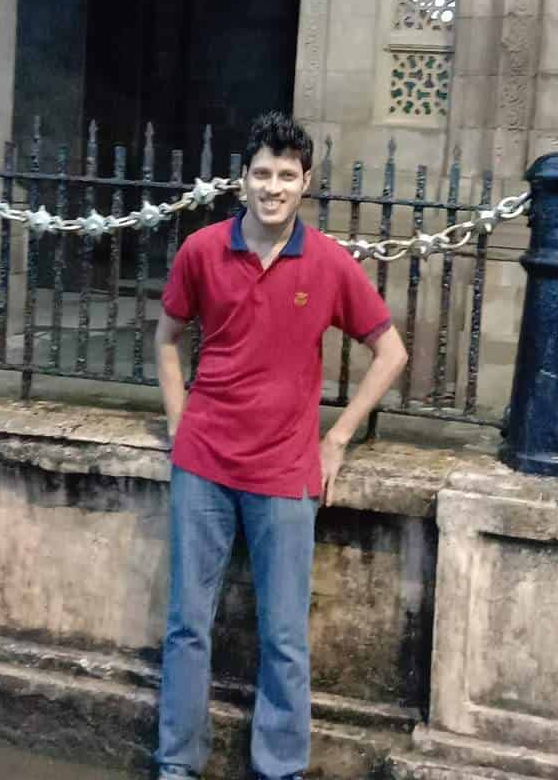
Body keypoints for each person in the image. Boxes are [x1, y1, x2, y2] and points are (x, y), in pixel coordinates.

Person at [154, 112, 408, 780]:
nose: (273, 187)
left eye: (286, 175)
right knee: (187, 624)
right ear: (242, 178)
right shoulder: (202, 250)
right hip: (204, 465)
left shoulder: (327, 263)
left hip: (286, 471)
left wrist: (339, 438)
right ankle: (176, 765)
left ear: (305, 182)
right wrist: (180, 423)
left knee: (286, 637)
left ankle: (280, 770)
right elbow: (167, 339)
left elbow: (391, 352)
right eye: (262, 173)